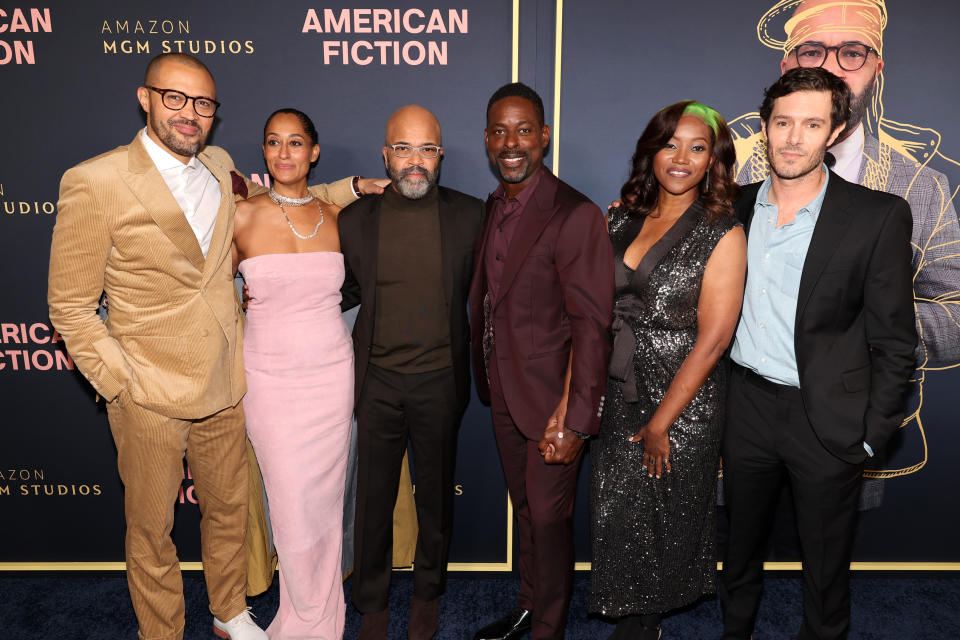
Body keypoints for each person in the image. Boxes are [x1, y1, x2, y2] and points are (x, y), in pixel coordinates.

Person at [46, 52, 371, 640]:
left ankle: (229, 612)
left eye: (202, 104)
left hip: (226, 383)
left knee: (227, 514)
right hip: (147, 392)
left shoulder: (220, 166)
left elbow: (293, 199)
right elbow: (70, 307)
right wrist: (120, 385)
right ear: (145, 98)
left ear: (214, 115)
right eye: (174, 98)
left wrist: (350, 187)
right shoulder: (95, 181)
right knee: (151, 531)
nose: (189, 114)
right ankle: (162, 632)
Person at [720, 67, 916, 640]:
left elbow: (897, 340)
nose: (793, 138)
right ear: (765, 126)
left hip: (826, 416)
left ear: (834, 133)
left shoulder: (877, 216)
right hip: (745, 406)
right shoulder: (730, 207)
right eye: (782, 122)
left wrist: (873, 433)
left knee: (826, 569)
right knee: (738, 552)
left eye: (811, 124)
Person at [590, 101, 746, 639]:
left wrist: (661, 423)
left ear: (713, 161)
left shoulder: (722, 230)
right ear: (651, 151)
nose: (681, 158)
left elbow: (715, 338)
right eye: (670, 144)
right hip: (619, 382)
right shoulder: (620, 216)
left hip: (684, 397)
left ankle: (643, 623)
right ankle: (634, 616)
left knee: (662, 514)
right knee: (620, 509)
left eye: (697, 148)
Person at [470, 82, 614, 640]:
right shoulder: (493, 206)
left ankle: (547, 628)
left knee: (551, 519)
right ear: (486, 140)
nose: (512, 143)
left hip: (555, 401)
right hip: (503, 392)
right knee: (526, 511)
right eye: (500, 132)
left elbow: (592, 326)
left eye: (524, 130)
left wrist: (577, 417)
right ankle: (530, 605)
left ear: (544, 137)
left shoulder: (574, 214)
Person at [338, 105, 484, 640]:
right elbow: (339, 291)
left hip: (440, 380)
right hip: (375, 381)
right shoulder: (353, 221)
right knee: (372, 502)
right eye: (403, 149)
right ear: (386, 154)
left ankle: (428, 595)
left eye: (426, 149)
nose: (414, 161)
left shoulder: (472, 216)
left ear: (440, 155)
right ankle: (371, 606)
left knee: (436, 498)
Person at [233, 108, 353, 639]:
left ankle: (317, 622)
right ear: (263, 152)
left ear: (314, 152)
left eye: (296, 143)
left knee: (325, 508)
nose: (284, 154)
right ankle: (304, 619)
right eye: (274, 143)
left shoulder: (336, 216)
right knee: (290, 506)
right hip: (268, 380)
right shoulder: (238, 217)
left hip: (331, 376)